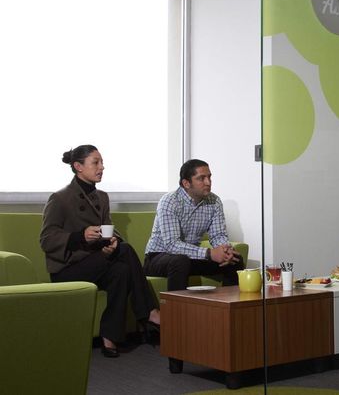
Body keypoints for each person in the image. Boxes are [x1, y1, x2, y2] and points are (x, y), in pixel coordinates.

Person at [40, 145, 160, 358]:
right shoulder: (60, 198)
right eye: (95, 162)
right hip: (68, 269)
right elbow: (46, 239)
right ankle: (149, 311)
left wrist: (112, 241)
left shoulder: (102, 197)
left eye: (101, 162)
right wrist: (80, 236)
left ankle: (109, 336)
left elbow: (109, 228)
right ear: (78, 166)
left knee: (121, 270)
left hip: (96, 262)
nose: (102, 167)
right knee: (125, 250)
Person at [143, 159, 243, 292]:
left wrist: (226, 250)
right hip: (158, 257)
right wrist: (209, 253)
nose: (208, 182)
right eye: (201, 178)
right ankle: (176, 306)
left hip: (190, 257)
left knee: (235, 260)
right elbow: (172, 245)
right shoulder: (169, 201)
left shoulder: (214, 201)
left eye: (209, 177)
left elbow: (218, 235)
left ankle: (226, 303)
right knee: (179, 261)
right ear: (186, 183)